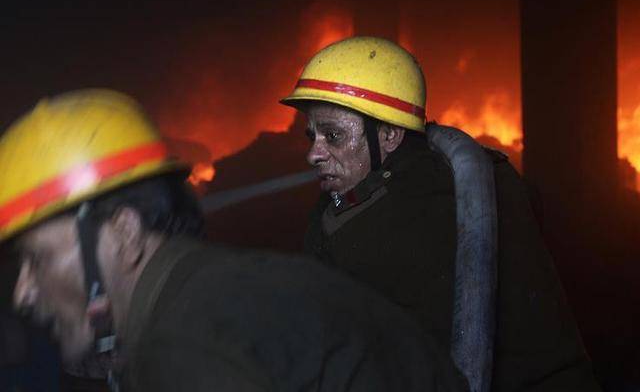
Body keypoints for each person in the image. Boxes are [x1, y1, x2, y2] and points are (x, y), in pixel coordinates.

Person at [2, 88, 467, 392]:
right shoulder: (203, 287)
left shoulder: (183, 347)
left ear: (123, 233)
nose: (22, 292)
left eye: (37, 259)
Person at [280, 36, 602, 392]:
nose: (313, 154)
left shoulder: (426, 206)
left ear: (389, 135)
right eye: (313, 136)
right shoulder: (367, 193)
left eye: (333, 136)